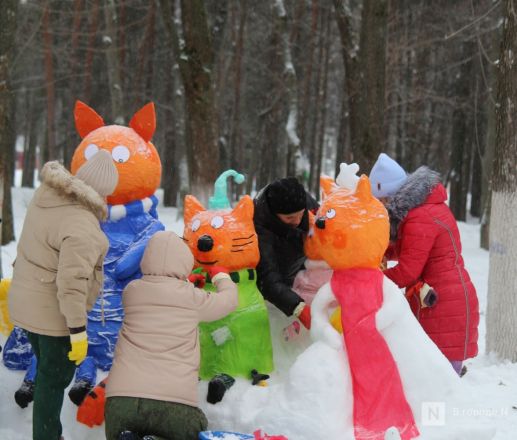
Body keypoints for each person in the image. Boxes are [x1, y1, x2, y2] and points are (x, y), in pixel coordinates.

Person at [8, 150, 118, 440]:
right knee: (53, 379)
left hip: (26, 302)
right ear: (104, 193)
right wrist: (78, 331)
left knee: (46, 371)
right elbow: (72, 283)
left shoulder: (48, 197)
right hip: (53, 314)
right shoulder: (83, 224)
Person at [104, 231, 238, 440]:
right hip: (174, 404)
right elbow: (228, 302)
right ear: (185, 262)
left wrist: (185, 284)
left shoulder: (132, 291)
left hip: (122, 401)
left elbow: (163, 294)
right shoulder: (193, 298)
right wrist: (222, 277)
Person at [369, 153, 480, 375]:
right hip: (444, 294)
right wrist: (378, 253)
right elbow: (410, 249)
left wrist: (372, 279)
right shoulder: (423, 208)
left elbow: (408, 270)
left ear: (387, 197)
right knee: (436, 373)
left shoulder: (420, 217)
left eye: (379, 202)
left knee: (437, 378)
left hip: (443, 301)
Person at [253, 177, 318, 329]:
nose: (297, 220)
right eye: (289, 217)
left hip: (302, 275)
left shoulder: (305, 203)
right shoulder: (261, 228)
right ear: (275, 213)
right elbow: (267, 278)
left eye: (301, 214)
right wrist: (297, 307)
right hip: (274, 292)